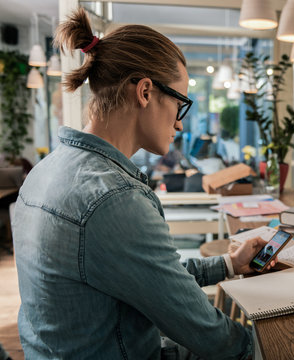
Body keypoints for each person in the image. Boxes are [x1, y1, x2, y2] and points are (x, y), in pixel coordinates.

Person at [11, 8, 273, 359]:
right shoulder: (114, 200)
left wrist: (228, 264)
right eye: (180, 104)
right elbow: (206, 334)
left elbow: (149, 275)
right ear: (146, 92)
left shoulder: (43, 172)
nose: (180, 125)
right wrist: (276, 347)